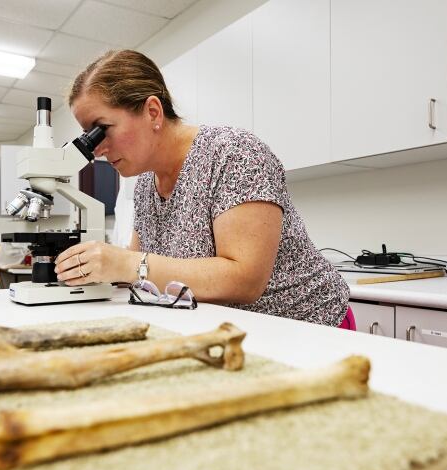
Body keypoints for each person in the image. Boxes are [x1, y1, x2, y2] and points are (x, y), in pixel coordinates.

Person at [54, 49, 350, 327]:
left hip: (308, 328)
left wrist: (126, 264)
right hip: (233, 330)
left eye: (100, 129)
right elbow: (136, 269)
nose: (96, 149)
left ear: (153, 112)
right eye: (87, 136)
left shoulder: (234, 154)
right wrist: (94, 268)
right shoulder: (146, 182)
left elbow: (245, 280)